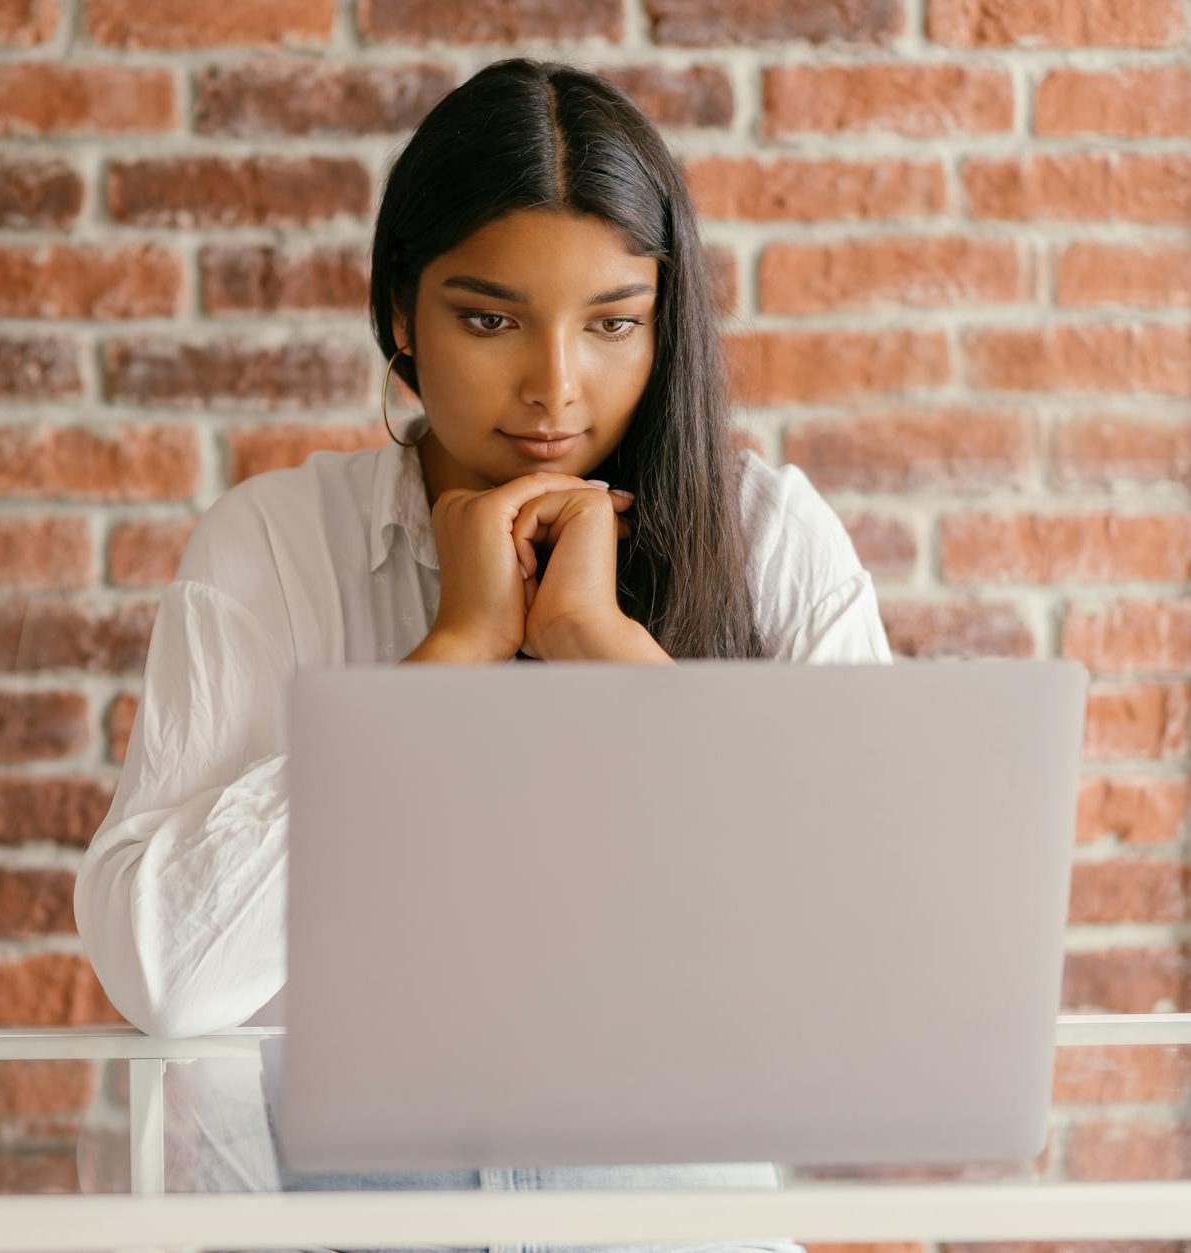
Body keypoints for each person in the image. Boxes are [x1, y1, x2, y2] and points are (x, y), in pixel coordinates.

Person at [73, 56, 892, 1253]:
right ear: (401, 312)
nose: (554, 389)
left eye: (613, 323)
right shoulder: (275, 545)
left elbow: (871, 958)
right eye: (489, 318)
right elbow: (164, 973)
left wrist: (601, 648)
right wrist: (445, 661)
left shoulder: (770, 539)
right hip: (345, 1220)